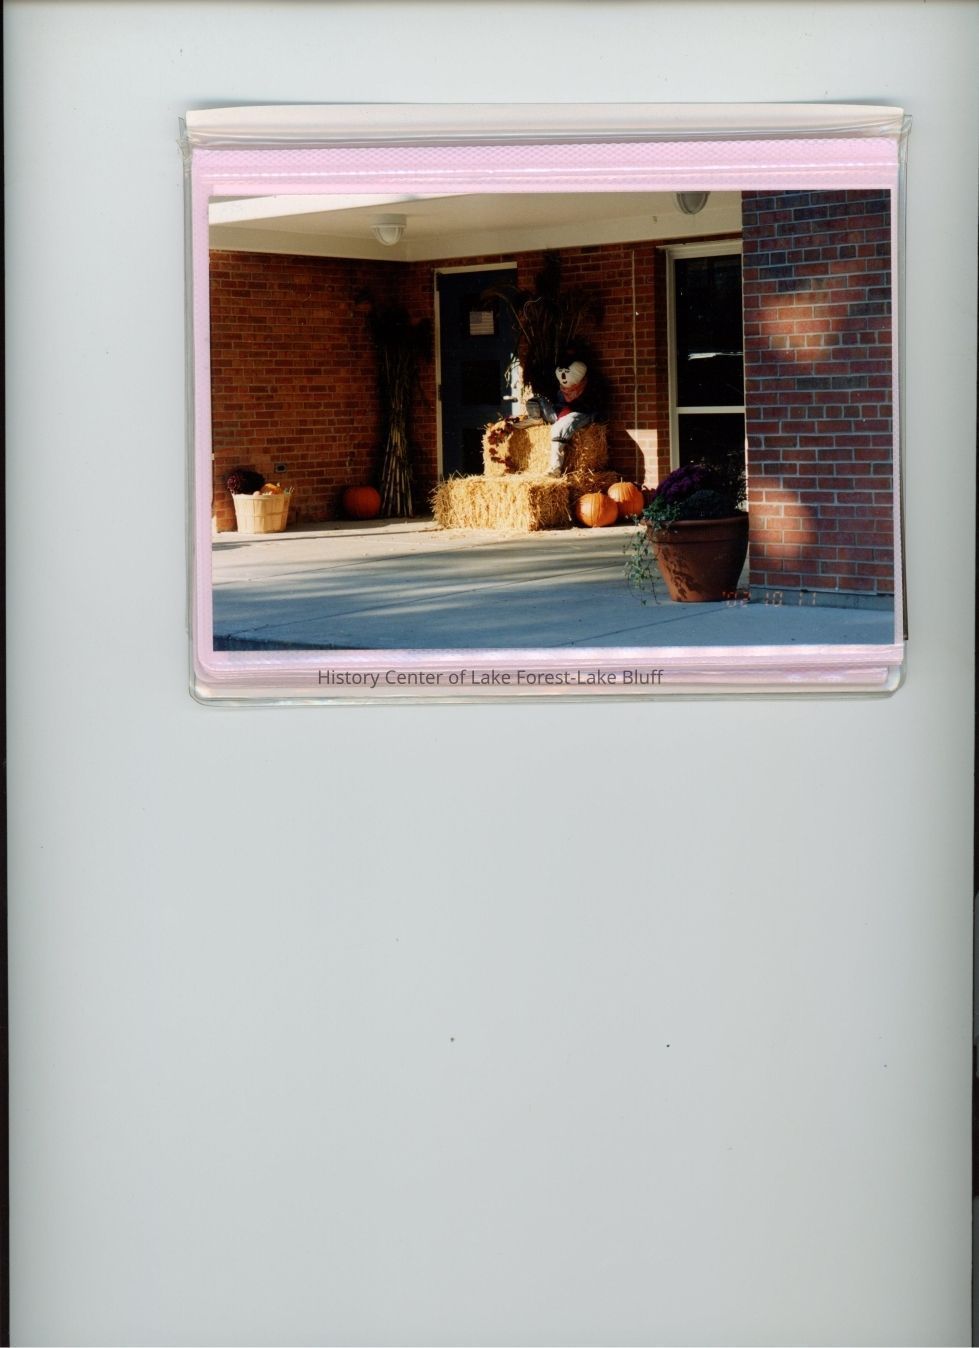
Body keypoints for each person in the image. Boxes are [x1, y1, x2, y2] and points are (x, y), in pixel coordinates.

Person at [526, 355, 608, 476]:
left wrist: (571, 409)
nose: (564, 377)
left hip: (581, 414)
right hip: (560, 413)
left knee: (559, 428)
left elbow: (594, 406)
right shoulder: (561, 388)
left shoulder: (591, 386)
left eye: (567, 372)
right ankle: (536, 419)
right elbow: (556, 402)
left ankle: (555, 468)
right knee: (536, 401)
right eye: (562, 373)